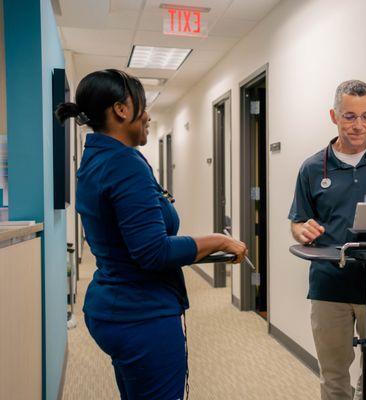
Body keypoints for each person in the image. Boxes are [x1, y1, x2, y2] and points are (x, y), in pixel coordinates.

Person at [55, 69, 247, 400]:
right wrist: (218, 239)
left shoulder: (96, 158)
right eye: (142, 105)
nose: (147, 115)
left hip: (113, 307)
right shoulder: (123, 163)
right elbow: (153, 252)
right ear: (121, 110)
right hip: (140, 315)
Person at [289, 80, 366, 400]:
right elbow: (298, 221)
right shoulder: (311, 168)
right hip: (330, 285)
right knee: (333, 374)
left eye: (365, 116)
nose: (358, 126)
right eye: (349, 116)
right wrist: (301, 230)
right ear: (333, 116)